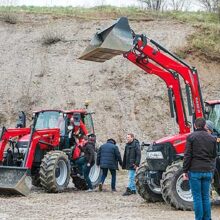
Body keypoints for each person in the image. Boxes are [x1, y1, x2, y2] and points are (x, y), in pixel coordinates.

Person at [183, 118, 217, 220]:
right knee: (206, 197)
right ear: (204, 126)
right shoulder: (212, 138)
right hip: (207, 171)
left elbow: (187, 155)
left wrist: (185, 171)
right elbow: (213, 156)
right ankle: (207, 218)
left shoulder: (191, 137)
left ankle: (199, 218)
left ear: (195, 125)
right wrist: (212, 171)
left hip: (195, 172)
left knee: (197, 197)